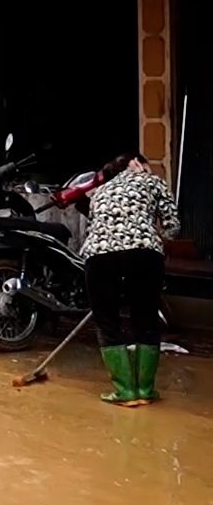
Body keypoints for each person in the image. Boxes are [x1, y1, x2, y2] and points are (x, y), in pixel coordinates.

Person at [80, 153, 180, 407]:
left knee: (107, 321)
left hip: (99, 256)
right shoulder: (153, 182)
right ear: (137, 164)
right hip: (143, 253)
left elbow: (95, 227)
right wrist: (156, 235)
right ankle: (145, 389)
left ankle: (124, 391)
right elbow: (173, 226)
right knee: (145, 317)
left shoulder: (100, 191)